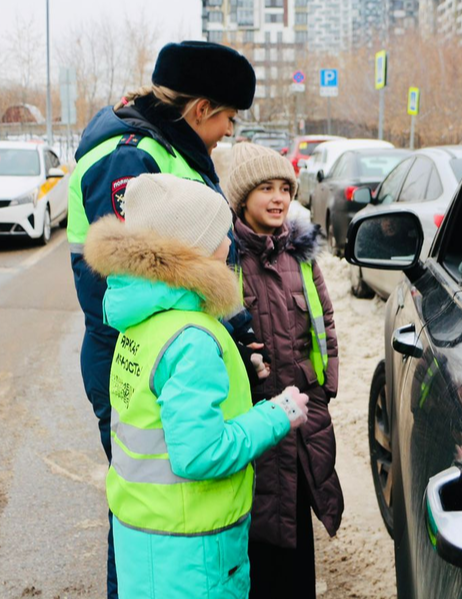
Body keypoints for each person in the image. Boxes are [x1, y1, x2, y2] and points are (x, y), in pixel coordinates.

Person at [67, 40, 256, 597]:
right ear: (200, 109)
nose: (228, 132)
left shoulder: (164, 144)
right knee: (146, 506)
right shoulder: (132, 157)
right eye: (227, 118)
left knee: (166, 505)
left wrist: (235, 329)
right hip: (149, 356)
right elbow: (141, 277)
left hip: (174, 346)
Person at [83, 174, 310, 599]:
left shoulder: (140, 324)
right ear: (192, 250)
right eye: (220, 235)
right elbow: (200, 454)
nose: (229, 245)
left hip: (147, 541)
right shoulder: (191, 339)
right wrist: (276, 415)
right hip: (193, 554)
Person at [224, 142, 344, 599]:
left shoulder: (301, 254)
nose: (278, 198)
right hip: (255, 425)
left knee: (298, 533)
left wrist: (325, 388)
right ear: (242, 197)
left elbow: (324, 320)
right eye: (265, 188)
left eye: (284, 189)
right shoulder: (228, 260)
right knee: (260, 539)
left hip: (303, 421)